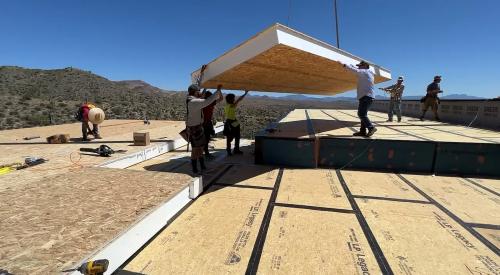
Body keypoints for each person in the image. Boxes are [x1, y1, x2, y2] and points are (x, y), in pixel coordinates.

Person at [186, 65, 223, 174]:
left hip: (196, 126)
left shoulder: (192, 98)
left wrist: (202, 73)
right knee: (196, 149)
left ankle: (201, 166)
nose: (200, 93)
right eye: (199, 92)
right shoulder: (194, 102)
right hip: (195, 128)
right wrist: (218, 90)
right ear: (195, 92)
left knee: (200, 147)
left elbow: (198, 85)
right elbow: (208, 101)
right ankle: (195, 168)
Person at [342, 60, 377, 137]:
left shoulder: (364, 72)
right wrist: (351, 64)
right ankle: (362, 131)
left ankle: (371, 128)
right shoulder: (368, 72)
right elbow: (356, 68)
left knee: (361, 114)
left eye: (360, 66)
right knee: (363, 115)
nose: (359, 67)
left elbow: (355, 70)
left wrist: (345, 65)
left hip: (366, 96)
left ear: (365, 66)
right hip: (367, 96)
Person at [224, 90, 249, 155]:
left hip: (228, 121)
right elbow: (239, 100)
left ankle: (229, 150)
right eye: (233, 98)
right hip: (232, 121)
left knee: (229, 136)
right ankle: (236, 149)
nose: (234, 99)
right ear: (231, 99)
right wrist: (245, 94)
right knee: (236, 136)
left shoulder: (227, 105)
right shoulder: (231, 106)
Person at [201, 90, 220, 158]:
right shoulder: (210, 103)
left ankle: (204, 152)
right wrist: (219, 90)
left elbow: (200, 97)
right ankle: (206, 152)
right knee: (207, 138)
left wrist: (205, 89)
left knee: (205, 138)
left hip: (204, 122)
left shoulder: (203, 103)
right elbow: (221, 99)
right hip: (207, 123)